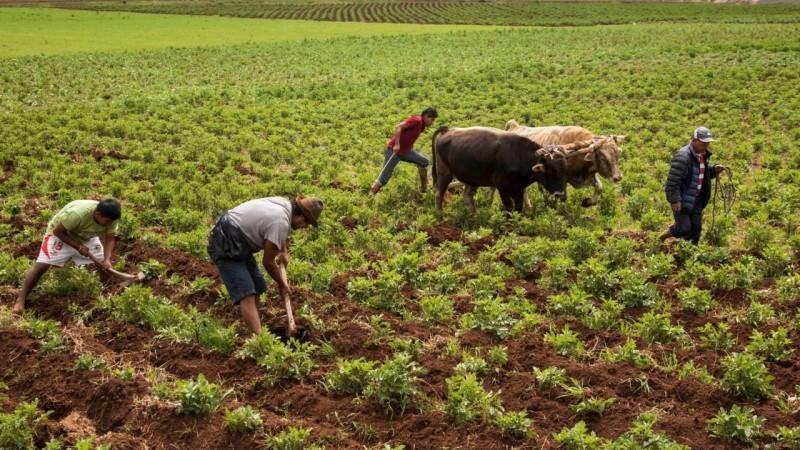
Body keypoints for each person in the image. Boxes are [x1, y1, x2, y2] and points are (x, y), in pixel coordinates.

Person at [207, 195, 323, 336]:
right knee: (247, 292)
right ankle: (261, 341)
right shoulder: (281, 223)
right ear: (301, 217)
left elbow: (283, 230)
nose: (304, 228)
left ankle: (254, 324)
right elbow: (268, 262)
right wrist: (282, 284)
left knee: (258, 285)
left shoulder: (285, 206)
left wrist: (284, 251)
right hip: (226, 240)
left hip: (240, 239)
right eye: (307, 224)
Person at [13, 199, 122, 315]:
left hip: (86, 235)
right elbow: (58, 232)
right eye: (107, 221)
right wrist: (78, 247)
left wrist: (107, 259)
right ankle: (20, 300)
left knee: (102, 264)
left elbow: (110, 238)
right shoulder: (77, 214)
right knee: (42, 265)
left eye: (111, 221)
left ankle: (107, 292)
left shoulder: (112, 218)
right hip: (61, 234)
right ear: (98, 214)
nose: (110, 224)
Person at [661, 127, 727, 245]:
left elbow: (699, 174)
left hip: (697, 199)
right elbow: (673, 181)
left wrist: (713, 170)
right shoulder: (683, 156)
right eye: (703, 143)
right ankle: (663, 236)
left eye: (708, 143)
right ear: (694, 140)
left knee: (696, 229)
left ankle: (688, 253)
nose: (706, 146)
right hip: (683, 199)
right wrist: (675, 200)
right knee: (684, 228)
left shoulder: (702, 155)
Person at [370, 107, 438, 194]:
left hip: (405, 152)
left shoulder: (422, 126)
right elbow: (399, 126)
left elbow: (408, 136)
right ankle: (371, 195)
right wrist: (397, 144)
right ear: (425, 116)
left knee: (424, 161)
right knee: (384, 178)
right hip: (394, 151)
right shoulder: (417, 120)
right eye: (431, 119)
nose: (432, 123)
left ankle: (423, 188)